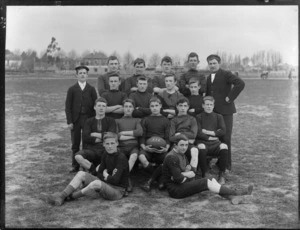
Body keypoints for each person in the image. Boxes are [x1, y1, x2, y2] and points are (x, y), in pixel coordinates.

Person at [42, 132, 129, 206]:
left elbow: (115, 180)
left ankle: (70, 197)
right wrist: (105, 178)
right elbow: (99, 174)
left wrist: (106, 175)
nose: (110, 146)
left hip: (117, 191)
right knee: (81, 174)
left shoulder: (121, 158)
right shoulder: (106, 154)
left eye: (112, 143)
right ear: (103, 144)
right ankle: (62, 195)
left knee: (96, 182)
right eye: (107, 144)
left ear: (117, 143)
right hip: (106, 184)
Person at [162, 134, 253, 204]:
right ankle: (236, 192)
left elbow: (189, 172)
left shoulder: (181, 153)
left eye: (186, 145)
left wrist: (184, 173)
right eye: (181, 145)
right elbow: (180, 179)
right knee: (206, 182)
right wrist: (185, 174)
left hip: (182, 184)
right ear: (175, 145)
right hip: (176, 190)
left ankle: (232, 197)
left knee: (211, 180)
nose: (184, 147)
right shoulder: (172, 157)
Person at [206, 54, 245, 172]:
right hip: (214, 112)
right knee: (215, 137)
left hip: (226, 112)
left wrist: (230, 97)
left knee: (226, 137)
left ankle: (227, 165)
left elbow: (240, 83)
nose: (212, 65)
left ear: (219, 63)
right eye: (210, 63)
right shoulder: (208, 77)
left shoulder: (226, 74)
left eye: (214, 63)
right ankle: (217, 161)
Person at [65, 65, 98, 173]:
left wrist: (93, 121)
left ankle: (85, 165)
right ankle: (75, 165)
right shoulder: (72, 89)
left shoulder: (91, 89)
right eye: (80, 73)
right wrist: (69, 121)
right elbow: (68, 107)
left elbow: (95, 106)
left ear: (87, 75)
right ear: (77, 75)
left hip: (87, 120)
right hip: (76, 120)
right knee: (75, 143)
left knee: (86, 143)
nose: (82, 75)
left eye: (84, 73)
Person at [74, 98, 117, 175]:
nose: (101, 108)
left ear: (106, 108)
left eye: (103, 106)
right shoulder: (89, 121)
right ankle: (93, 170)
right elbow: (85, 137)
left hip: (105, 149)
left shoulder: (111, 121)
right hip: (91, 150)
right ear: (94, 107)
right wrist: (103, 138)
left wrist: (94, 134)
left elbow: (111, 135)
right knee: (78, 156)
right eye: (99, 105)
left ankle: (96, 172)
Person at [138, 97, 170, 189]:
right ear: (149, 107)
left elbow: (167, 138)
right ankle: (159, 179)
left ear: (160, 106)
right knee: (141, 157)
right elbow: (142, 136)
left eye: (156, 105)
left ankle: (150, 181)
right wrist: (144, 148)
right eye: (152, 106)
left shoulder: (165, 120)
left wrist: (166, 148)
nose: (154, 108)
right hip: (148, 148)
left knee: (168, 160)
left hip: (161, 149)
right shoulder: (145, 119)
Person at [195, 96, 228, 184]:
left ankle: (221, 174)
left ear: (213, 106)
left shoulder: (218, 116)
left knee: (224, 146)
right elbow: (198, 132)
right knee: (201, 147)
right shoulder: (198, 117)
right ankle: (205, 173)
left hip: (215, 143)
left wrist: (208, 132)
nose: (209, 106)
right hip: (203, 142)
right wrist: (210, 136)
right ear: (203, 105)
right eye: (207, 104)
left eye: (211, 104)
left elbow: (223, 131)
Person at [169, 97, 204, 176]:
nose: (183, 108)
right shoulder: (173, 120)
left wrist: (179, 134)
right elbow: (171, 137)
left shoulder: (192, 119)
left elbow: (193, 134)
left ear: (188, 107)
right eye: (180, 106)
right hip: (177, 145)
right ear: (177, 106)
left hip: (188, 144)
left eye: (185, 106)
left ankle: (192, 174)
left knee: (195, 150)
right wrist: (187, 138)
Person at [116, 99, 143, 192]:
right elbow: (117, 136)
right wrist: (132, 136)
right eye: (126, 106)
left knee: (134, 156)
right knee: (120, 158)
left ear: (133, 109)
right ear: (123, 108)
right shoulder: (117, 121)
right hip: (121, 147)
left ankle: (124, 177)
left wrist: (124, 133)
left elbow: (139, 132)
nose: (128, 109)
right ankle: (127, 180)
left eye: (130, 107)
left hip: (133, 146)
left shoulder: (137, 120)